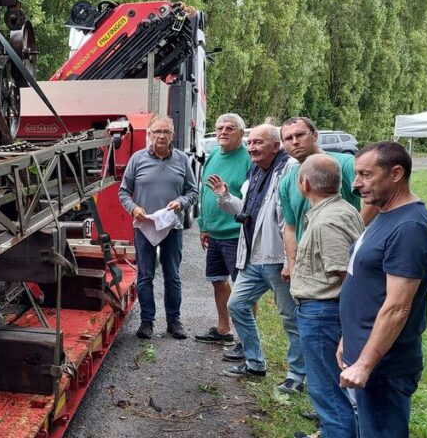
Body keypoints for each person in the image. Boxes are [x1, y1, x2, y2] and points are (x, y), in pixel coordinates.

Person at [339, 141, 427, 438]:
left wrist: (365, 362)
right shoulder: (384, 213)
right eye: (356, 175)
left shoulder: (410, 227)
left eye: (366, 175)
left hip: (384, 366)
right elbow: (365, 282)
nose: (357, 184)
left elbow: (397, 306)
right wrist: (349, 338)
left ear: (396, 173)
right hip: (364, 354)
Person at [207, 124, 306, 394]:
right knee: (237, 305)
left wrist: (290, 261)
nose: (252, 147)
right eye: (251, 143)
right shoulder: (255, 173)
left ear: (276, 146)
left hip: (276, 258)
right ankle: (254, 362)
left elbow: (291, 220)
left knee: (290, 317)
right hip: (253, 255)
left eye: (258, 143)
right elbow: (247, 212)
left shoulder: (289, 172)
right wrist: (225, 197)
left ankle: (297, 375)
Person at [288, 154, 365, 438]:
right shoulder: (341, 208)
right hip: (322, 311)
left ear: (304, 184)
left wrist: (346, 329)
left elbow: (343, 275)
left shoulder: (327, 222)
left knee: (328, 393)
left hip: (322, 312)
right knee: (329, 390)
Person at [118, 115, 198, 340]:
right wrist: (133, 208)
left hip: (172, 226)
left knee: (172, 275)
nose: (161, 136)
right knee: (145, 275)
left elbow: (193, 192)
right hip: (144, 226)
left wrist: (180, 203)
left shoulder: (182, 160)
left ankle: (174, 321)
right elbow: (123, 191)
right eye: (157, 132)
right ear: (149, 134)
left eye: (166, 132)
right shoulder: (137, 159)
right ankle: (147, 322)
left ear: (172, 135)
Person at [277, 117, 375, 283]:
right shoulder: (287, 181)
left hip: (343, 258)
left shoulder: (344, 164)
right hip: (308, 265)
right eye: (288, 138)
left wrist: (354, 230)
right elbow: (291, 227)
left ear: (315, 136)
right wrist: (293, 266)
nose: (295, 142)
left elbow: (374, 199)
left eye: (300, 135)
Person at [194, 113, 252, 348]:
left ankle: (247, 339)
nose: (223, 132)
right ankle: (223, 329)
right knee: (218, 281)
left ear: (240, 132)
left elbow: (250, 196)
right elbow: (204, 191)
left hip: (235, 233)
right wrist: (203, 225)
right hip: (214, 233)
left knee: (244, 287)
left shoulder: (248, 158)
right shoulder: (214, 154)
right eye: (219, 128)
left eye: (230, 128)